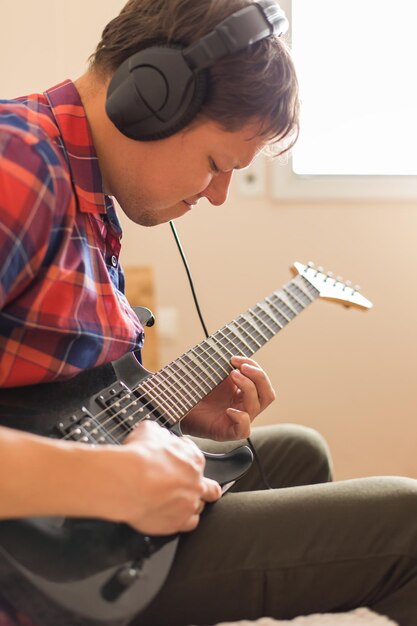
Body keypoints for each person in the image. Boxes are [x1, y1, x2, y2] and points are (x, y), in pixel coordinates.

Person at [0, 1, 417, 626]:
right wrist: (109, 481)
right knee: (405, 521)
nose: (217, 195)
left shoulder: (85, 189)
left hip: (63, 519)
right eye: (218, 164)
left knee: (297, 453)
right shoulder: (18, 165)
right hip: (27, 562)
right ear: (149, 98)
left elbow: (47, 388)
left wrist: (159, 403)